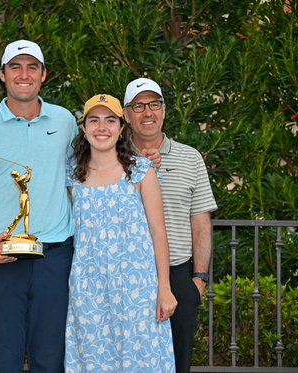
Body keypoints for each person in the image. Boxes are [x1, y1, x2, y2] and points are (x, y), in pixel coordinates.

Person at [0, 40, 77, 373]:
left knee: (50, 357)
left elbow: (81, 178)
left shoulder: (66, 121)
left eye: (32, 67)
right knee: (4, 357)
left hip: (56, 256)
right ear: (2, 74)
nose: (23, 75)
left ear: (44, 75)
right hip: (3, 257)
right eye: (15, 67)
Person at [65, 94, 177, 372]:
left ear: (121, 128)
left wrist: (164, 288)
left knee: (141, 361)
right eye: (94, 120)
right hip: (88, 291)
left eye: (110, 120)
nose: (102, 127)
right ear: (84, 128)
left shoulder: (141, 171)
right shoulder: (71, 176)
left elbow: (158, 233)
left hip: (137, 290)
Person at [123, 78, 217, 373]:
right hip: (126, 278)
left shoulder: (190, 158)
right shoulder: (110, 158)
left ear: (164, 110)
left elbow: (201, 222)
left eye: (153, 104)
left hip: (178, 278)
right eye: (138, 105)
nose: (147, 112)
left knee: (177, 366)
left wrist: (198, 280)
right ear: (126, 114)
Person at [7, 167, 32, 234]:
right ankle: (11, 227)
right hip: (23, 196)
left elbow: (28, 180)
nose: (18, 173)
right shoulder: (19, 180)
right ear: (15, 175)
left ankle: (26, 232)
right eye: (17, 172)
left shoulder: (21, 180)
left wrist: (29, 172)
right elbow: (24, 176)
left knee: (26, 214)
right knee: (21, 214)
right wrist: (28, 171)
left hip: (27, 196)